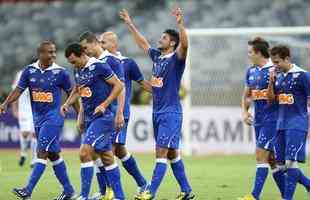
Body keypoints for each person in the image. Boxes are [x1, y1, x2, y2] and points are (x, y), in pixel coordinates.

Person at [120, 7, 194, 200]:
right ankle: (186, 191)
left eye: (163, 38)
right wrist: (130, 24)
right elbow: (143, 44)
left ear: (172, 43)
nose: (159, 40)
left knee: (161, 152)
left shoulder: (177, 59)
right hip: (157, 112)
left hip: (171, 113)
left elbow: (185, 45)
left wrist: (180, 24)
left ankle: (150, 192)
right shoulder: (158, 57)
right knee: (171, 154)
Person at [0, 41, 76, 200]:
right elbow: (18, 90)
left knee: (41, 152)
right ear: (40, 54)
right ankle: (69, 191)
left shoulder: (61, 73)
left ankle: (27, 190)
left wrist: (81, 115)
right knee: (54, 155)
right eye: (50, 52)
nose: (54, 55)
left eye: (54, 52)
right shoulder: (29, 71)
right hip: (38, 119)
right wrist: (6, 103)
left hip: (54, 118)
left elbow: (72, 94)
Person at [62, 43, 125, 200]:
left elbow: (119, 85)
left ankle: (83, 196)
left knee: (84, 152)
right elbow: (78, 90)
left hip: (104, 118)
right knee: (106, 157)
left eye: (74, 61)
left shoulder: (99, 66)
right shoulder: (78, 69)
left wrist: (104, 104)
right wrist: (68, 104)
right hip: (90, 119)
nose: (72, 65)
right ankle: (120, 196)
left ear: (82, 55)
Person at [238, 37, 284, 200]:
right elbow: (246, 95)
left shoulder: (276, 70)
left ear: (258, 53)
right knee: (271, 160)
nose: (248, 55)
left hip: (273, 120)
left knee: (260, 155)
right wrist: (244, 112)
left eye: (250, 52)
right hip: (259, 120)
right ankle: (290, 193)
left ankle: (254, 196)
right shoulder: (251, 71)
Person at [267, 45, 310, 200]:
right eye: (273, 62)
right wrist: (271, 82)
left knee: (291, 162)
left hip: (297, 123)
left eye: (277, 62)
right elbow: (271, 100)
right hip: (280, 124)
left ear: (287, 59)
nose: (275, 66)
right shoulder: (278, 77)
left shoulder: (303, 76)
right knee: (280, 165)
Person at [11, 70, 37, 167]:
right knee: (25, 133)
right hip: (23, 110)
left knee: (35, 134)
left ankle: (34, 159)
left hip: (35, 110)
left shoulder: (42, 75)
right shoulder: (20, 74)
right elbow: (15, 92)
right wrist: (14, 109)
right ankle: (23, 153)